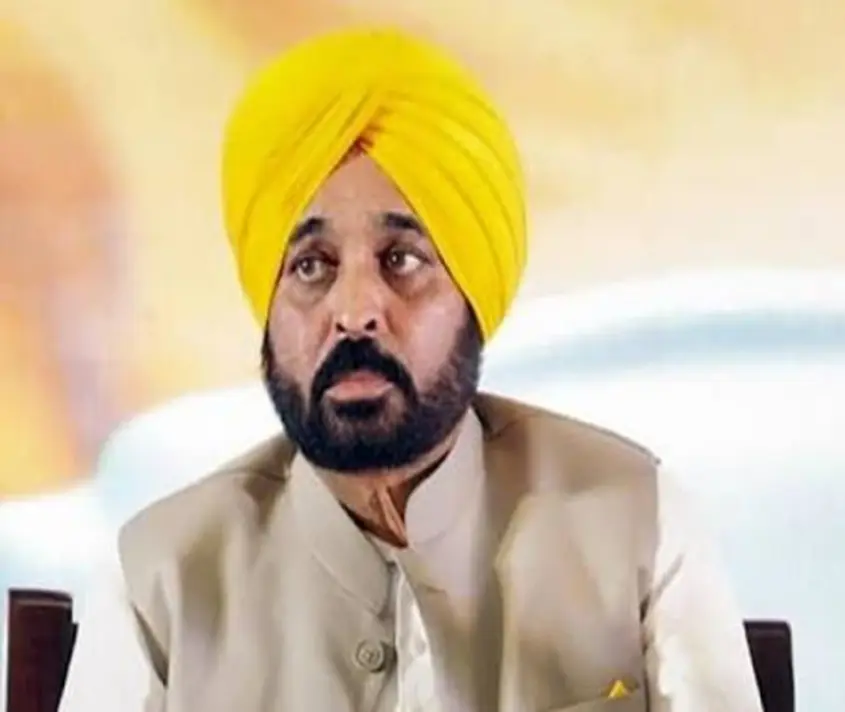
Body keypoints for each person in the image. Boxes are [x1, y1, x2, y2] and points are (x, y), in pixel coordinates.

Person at [60, 27, 763, 712]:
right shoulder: (160, 580)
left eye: (402, 260)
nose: (355, 311)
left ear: (472, 291)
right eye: (311, 266)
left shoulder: (637, 521)